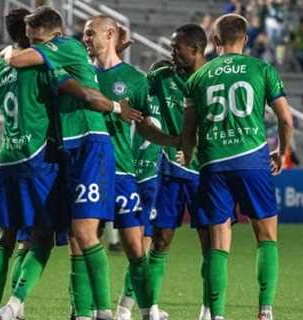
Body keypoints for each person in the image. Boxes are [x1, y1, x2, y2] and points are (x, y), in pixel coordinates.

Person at [1, 7, 142, 320]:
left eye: (37, 40)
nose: (32, 44)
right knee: (60, 236)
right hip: (65, 150)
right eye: (29, 39)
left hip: (91, 145)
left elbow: (18, 60)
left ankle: (107, 311)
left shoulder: (62, 47)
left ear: (52, 35)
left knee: (86, 233)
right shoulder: (56, 61)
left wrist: (10, 50)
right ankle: (76, 311)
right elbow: (82, 86)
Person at [181, 14, 294, 320]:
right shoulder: (261, 69)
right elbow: (285, 119)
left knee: (218, 243)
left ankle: (216, 315)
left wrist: (189, 156)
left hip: (214, 163)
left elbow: (188, 133)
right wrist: (281, 153)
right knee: (266, 236)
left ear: (215, 40)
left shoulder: (197, 78)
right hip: (253, 159)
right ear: (244, 39)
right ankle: (265, 311)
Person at [82, 15, 178, 320]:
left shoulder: (135, 80)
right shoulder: (80, 74)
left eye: (89, 34)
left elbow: (147, 125)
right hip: (88, 170)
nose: (85, 39)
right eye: (83, 35)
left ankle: (147, 311)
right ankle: (88, 311)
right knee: (82, 241)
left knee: (136, 249)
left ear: (109, 33)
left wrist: (173, 140)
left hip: (124, 172)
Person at [0, 8, 58, 320]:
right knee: (43, 235)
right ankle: (14, 304)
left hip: (8, 156)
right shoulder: (37, 63)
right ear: (32, 31)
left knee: (8, 234)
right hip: (36, 154)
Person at [142, 24, 211, 320]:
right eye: (170, 47)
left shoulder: (213, 79)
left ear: (195, 50)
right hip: (169, 171)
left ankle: (209, 309)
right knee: (160, 241)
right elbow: (135, 101)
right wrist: (173, 142)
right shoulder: (161, 77)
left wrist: (197, 148)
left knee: (210, 244)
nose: (171, 53)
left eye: (176, 48)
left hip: (206, 173)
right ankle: (151, 309)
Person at [116, 60, 166, 320]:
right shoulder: (170, 103)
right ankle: (126, 308)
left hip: (124, 171)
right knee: (142, 247)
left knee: (89, 239)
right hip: (148, 179)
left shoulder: (134, 96)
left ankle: (90, 307)